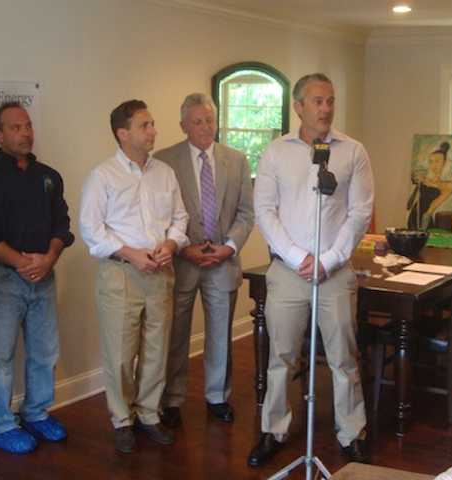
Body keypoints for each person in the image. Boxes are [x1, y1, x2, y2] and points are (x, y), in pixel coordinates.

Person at [249, 73, 374, 467]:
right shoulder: (275, 153)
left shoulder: (353, 151)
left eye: (330, 101)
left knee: (343, 357)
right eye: (317, 101)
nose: (325, 108)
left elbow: (360, 213)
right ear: (298, 106)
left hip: (334, 273)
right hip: (288, 272)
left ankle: (351, 432)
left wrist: (329, 259)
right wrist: (294, 256)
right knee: (281, 356)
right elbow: (264, 211)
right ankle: (275, 429)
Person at [0, 102, 74, 454]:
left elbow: (62, 225)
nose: (25, 133)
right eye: (15, 128)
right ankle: (3, 422)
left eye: (27, 126)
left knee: (44, 352)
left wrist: (49, 257)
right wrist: (21, 262)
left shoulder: (49, 176)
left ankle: (37, 413)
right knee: (1, 357)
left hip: (44, 276)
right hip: (3, 281)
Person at [79, 100, 189, 453]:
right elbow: (91, 230)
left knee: (157, 350)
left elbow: (180, 217)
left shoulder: (165, 173)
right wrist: (131, 253)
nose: (154, 130)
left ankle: (149, 414)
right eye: (145, 125)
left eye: (153, 123)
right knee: (121, 354)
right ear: (122, 133)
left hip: (161, 271)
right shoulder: (103, 176)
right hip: (121, 273)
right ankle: (122, 419)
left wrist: (171, 243)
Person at [155, 93, 253, 427]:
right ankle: (171, 399)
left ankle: (216, 397)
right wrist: (183, 248)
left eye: (210, 119)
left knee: (219, 334)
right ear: (183, 125)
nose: (205, 127)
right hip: (182, 260)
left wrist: (229, 247)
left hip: (222, 261)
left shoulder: (237, 160)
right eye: (197, 121)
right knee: (175, 334)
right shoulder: (164, 160)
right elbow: (160, 214)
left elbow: (246, 213)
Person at [407, 141, 452, 229]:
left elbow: (432, 207)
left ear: (444, 162)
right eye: (431, 161)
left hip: (425, 218)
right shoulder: (423, 179)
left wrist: (424, 221)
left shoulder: (448, 185)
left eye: (437, 161)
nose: (434, 165)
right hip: (414, 215)